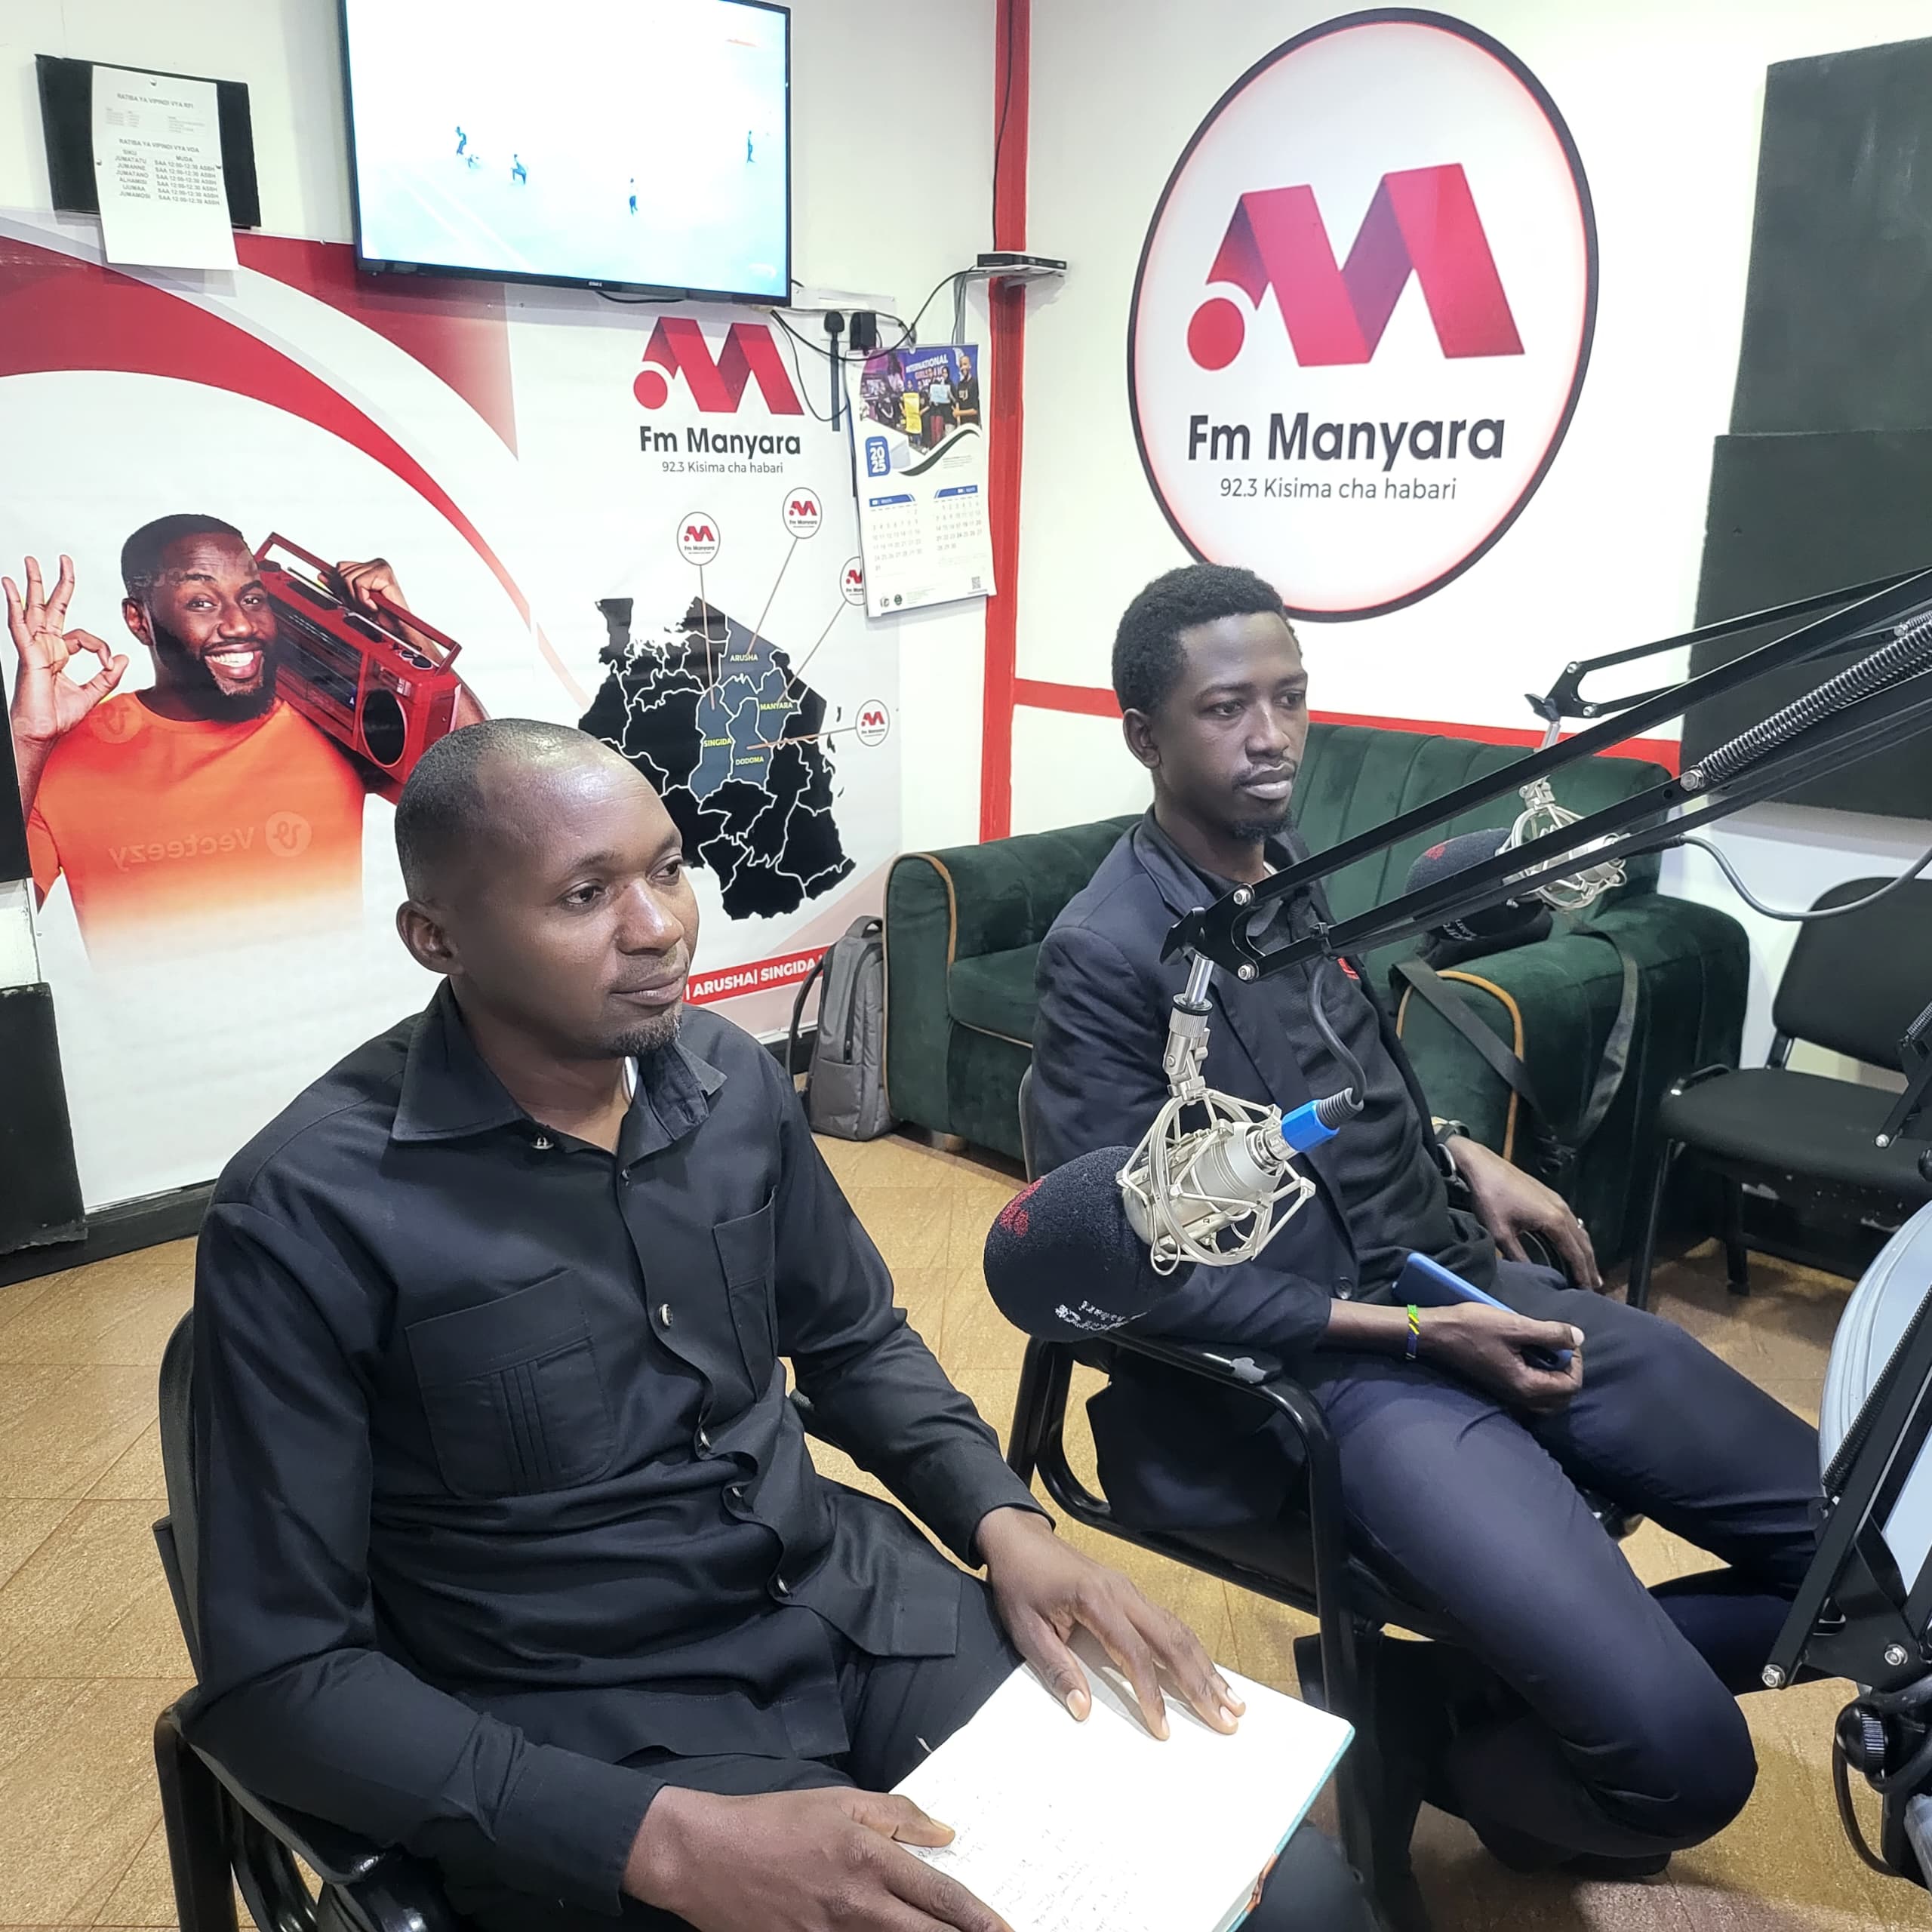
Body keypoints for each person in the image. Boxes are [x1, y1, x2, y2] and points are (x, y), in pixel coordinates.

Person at [183, 718, 1378, 1932]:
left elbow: (854, 1341)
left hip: (845, 1608)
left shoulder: (731, 1082)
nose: (659, 926)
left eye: (667, 869)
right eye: (586, 895)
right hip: (589, 1724)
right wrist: (659, 1844)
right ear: (436, 937)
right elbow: (282, 1679)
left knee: (1293, 1897)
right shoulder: (308, 1208)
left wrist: (1007, 1521)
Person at [1030, 563, 1823, 1880]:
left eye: (1290, 697)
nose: (1274, 736)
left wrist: (1456, 1148)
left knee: (1875, 1560)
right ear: (1144, 736)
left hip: (1457, 1276)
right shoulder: (1109, 954)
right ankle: (1428, 1737)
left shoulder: (1296, 873)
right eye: (1228, 709)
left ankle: (1448, 1696)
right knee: (1689, 1768)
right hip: (1335, 1374)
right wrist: (1411, 1334)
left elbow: (1333, 1081)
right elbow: (1115, 1264)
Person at [5, 518, 483, 963]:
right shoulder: (59, 757)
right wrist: (27, 737)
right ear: (139, 621)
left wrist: (406, 637)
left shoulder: (330, 722)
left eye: (253, 599)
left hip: (332, 1019)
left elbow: (490, 794)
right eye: (201, 602)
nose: (240, 625)